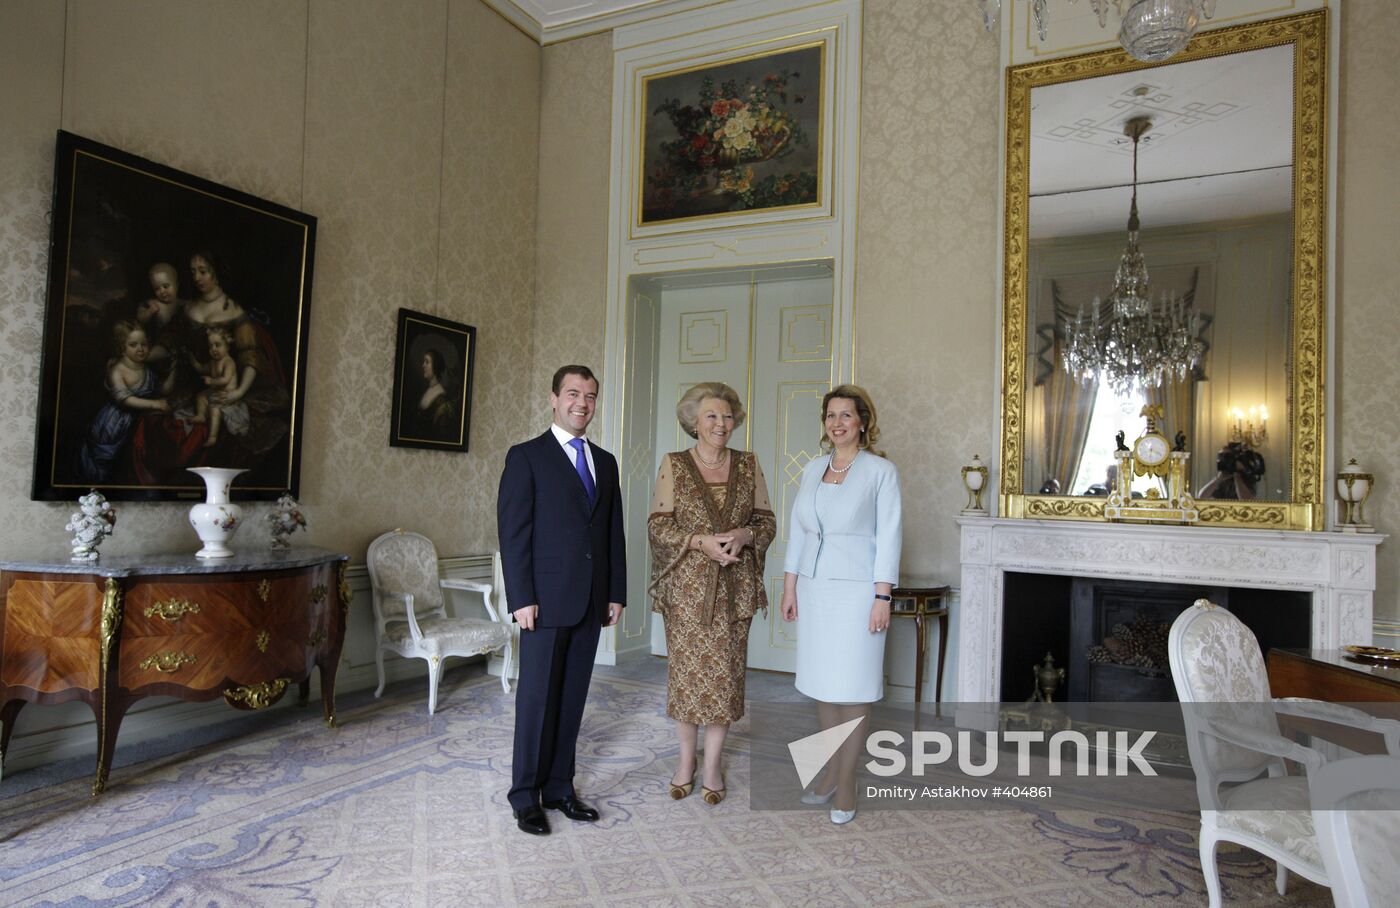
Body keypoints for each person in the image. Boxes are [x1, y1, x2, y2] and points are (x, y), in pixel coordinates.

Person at [497, 365, 625, 837]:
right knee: (536, 700)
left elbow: (612, 531)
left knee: (571, 698)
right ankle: (525, 797)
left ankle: (560, 788)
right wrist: (522, 597)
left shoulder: (605, 461)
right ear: (553, 398)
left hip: (591, 600)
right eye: (573, 393)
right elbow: (514, 534)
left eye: (591, 396)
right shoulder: (526, 457)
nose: (582, 403)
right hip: (543, 602)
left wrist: (616, 590)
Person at [647, 382, 775, 806]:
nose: (721, 424)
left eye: (727, 416)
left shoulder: (748, 464)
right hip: (687, 595)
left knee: (725, 681)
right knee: (686, 681)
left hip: (735, 592)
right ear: (693, 422)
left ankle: (714, 765)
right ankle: (686, 763)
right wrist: (700, 541)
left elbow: (767, 523)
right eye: (711, 417)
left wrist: (744, 534)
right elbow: (658, 527)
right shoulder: (674, 464)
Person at [781, 384, 902, 825]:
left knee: (852, 687)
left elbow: (890, 537)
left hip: (858, 594)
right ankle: (832, 768)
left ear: (862, 422)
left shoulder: (880, 472)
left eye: (846, 415)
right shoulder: (812, 469)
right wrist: (790, 586)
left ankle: (847, 781)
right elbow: (799, 532)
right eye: (830, 415)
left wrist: (881, 596)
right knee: (824, 685)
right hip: (814, 590)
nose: (837, 423)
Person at [78, 321, 175, 481]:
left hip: (138, 421)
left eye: (144, 344)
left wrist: (173, 371)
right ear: (122, 347)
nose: (140, 349)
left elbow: (162, 390)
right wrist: (154, 404)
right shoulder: (117, 369)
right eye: (133, 345)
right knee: (110, 463)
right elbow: (124, 399)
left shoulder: (146, 370)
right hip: (115, 423)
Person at [189, 326, 249, 448]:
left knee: (214, 409)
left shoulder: (228, 362)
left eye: (217, 345)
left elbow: (225, 379)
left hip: (227, 397)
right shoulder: (212, 362)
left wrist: (211, 381)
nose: (213, 349)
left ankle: (212, 437)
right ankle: (201, 415)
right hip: (215, 393)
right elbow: (201, 369)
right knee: (201, 396)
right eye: (210, 346)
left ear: (227, 346)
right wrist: (192, 360)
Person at [411, 348, 457, 441]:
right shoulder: (428, 389)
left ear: (435, 366)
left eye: (427, 362)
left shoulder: (441, 397)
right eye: (424, 361)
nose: (423, 365)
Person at [1198, 441, 1263, 500]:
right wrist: (1218, 479)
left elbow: (1247, 501)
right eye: (1221, 457)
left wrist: (1236, 474)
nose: (1224, 460)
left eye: (1227, 457)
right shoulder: (1222, 480)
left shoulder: (1247, 476)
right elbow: (1201, 498)